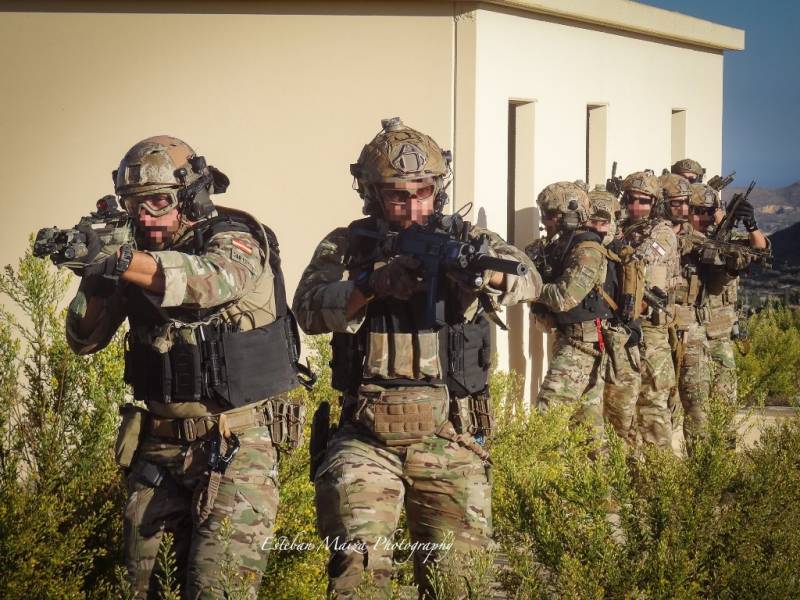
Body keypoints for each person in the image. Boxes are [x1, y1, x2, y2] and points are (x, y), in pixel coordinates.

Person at [292, 117, 541, 598]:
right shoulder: (348, 245)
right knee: (358, 579)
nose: (412, 206)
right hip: (365, 439)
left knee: (460, 584)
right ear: (372, 194)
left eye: (422, 193)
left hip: (451, 439)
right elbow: (307, 308)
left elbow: (526, 278)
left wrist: (478, 278)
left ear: (439, 189)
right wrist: (370, 285)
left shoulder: (468, 238)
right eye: (397, 195)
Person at [63, 136, 309, 598]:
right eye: (135, 204)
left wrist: (119, 259)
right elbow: (83, 339)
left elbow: (208, 281)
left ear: (191, 196)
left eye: (159, 202)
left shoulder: (236, 237)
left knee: (216, 591)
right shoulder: (127, 253)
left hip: (235, 447)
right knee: (138, 589)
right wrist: (96, 275)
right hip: (155, 450)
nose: (146, 216)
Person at [528, 182, 621, 441]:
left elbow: (564, 297)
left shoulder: (587, 250)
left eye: (549, 215)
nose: (545, 221)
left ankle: (538, 479)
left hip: (581, 346)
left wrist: (530, 287)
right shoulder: (563, 246)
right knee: (589, 428)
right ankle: (600, 480)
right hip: (572, 340)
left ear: (570, 214)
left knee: (545, 422)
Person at [603, 171, 678, 449]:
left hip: (651, 331)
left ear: (654, 203)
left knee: (652, 406)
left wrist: (616, 245)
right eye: (631, 199)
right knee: (621, 410)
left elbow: (640, 260)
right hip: (624, 329)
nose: (636, 206)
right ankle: (633, 479)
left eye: (644, 201)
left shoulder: (662, 232)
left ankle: (661, 482)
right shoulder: (620, 228)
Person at [688, 183, 770, 407]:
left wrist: (751, 225)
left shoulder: (723, 236)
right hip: (690, 331)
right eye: (698, 211)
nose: (704, 217)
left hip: (719, 328)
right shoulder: (680, 239)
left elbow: (760, 250)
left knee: (724, 400)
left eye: (709, 211)